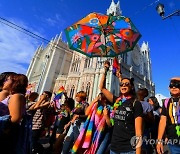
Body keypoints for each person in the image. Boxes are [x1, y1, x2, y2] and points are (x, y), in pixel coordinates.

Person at [99, 61, 143, 154]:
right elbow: (102, 88)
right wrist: (105, 70)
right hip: (114, 148)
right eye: (121, 84)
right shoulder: (117, 101)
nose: (123, 85)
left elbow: (139, 131)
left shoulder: (136, 103)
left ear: (132, 87)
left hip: (129, 149)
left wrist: (138, 151)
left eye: (127, 84)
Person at [0, 73, 28, 153]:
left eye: (7, 80)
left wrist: (4, 131)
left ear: (16, 82)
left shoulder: (16, 96)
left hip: (5, 134)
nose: (4, 82)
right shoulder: (11, 96)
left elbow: (15, 119)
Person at [157, 77, 180, 154]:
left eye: (177, 84)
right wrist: (159, 140)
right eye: (171, 85)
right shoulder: (167, 102)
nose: (174, 87)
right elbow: (162, 121)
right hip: (173, 141)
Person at [137, 88, 154, 153]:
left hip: (144, 129)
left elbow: (151, 119)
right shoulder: (132, 102)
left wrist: (142, 116)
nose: (139, 90)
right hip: (135, 129)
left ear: (145, 94)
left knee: (143, 147)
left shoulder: (147, 105)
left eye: (141, 90)